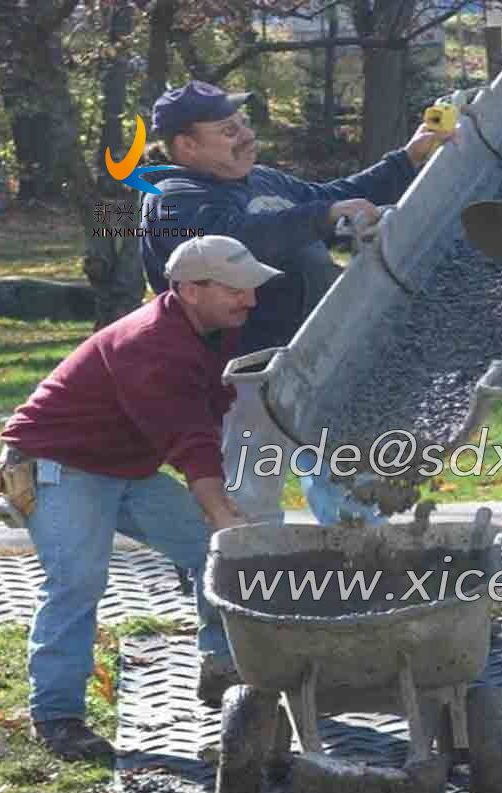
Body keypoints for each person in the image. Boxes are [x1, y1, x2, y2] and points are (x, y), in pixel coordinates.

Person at [0, 236, 281, 760]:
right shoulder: (150, 343)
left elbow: (203, 407)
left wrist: (219, 519)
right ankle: (57, 717)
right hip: (60, 463)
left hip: (125, 466)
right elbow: (187, 437)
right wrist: (221, 510)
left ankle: (221, 667)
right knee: (78, 582)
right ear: (191, 290)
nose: (251, 301)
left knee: (210, 553)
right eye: (238, 290)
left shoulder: (208, 328)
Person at [140, 81, 451, 526]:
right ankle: (245, 580)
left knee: (345, 482)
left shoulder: (262, 179)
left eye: (244, 123)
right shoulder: (172, 199)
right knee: (246, 498)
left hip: (314, 357)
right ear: (187, 146)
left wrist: (407, 159)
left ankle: (362, 568)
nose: (246, 135)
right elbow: (239, 241)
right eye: (228, 130)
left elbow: (333, 196)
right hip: (244, 377)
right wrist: (320, 217)